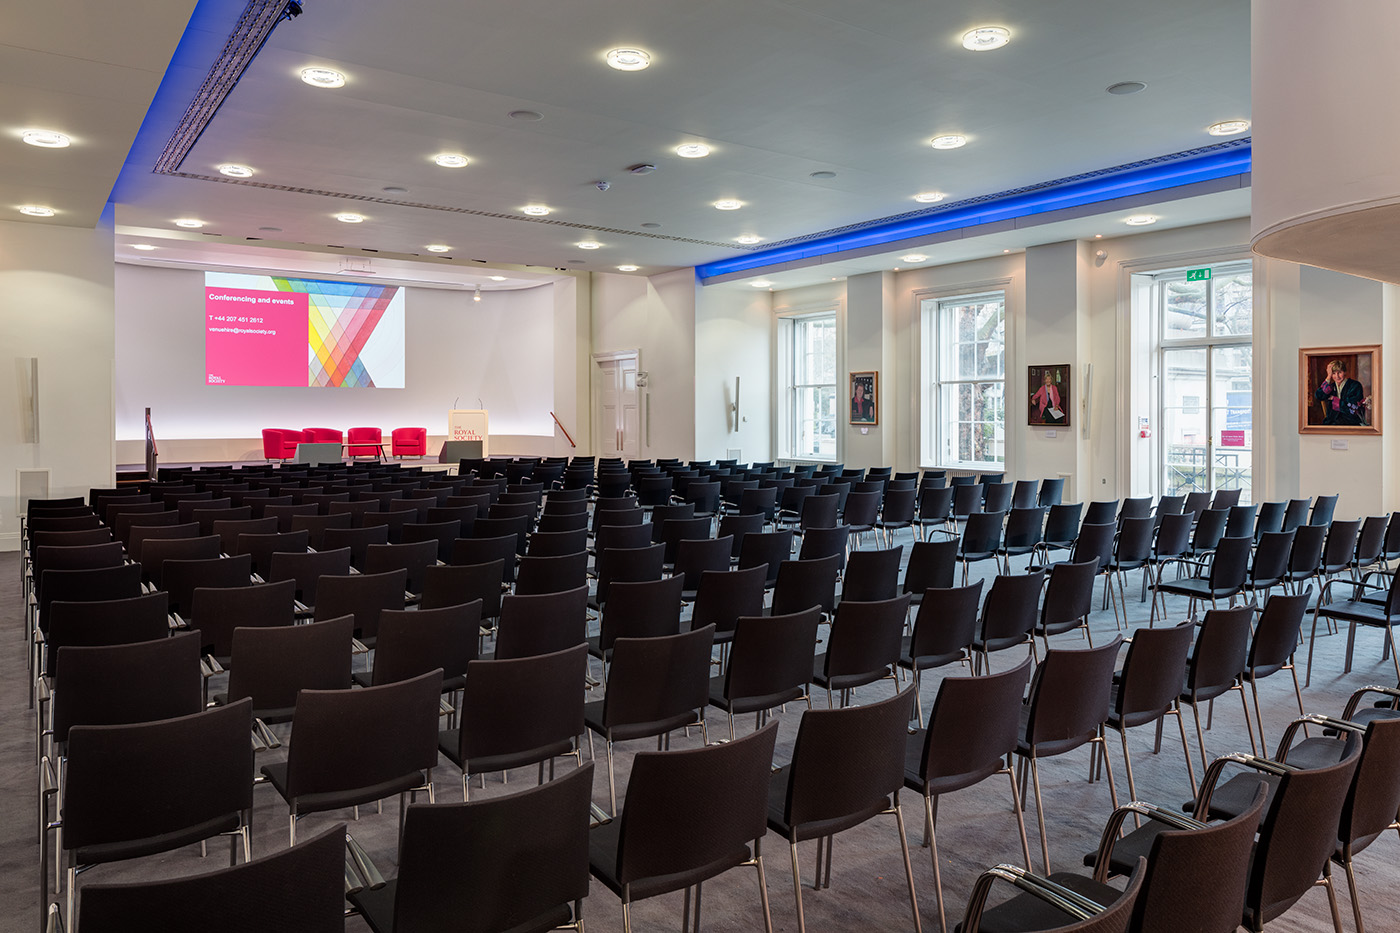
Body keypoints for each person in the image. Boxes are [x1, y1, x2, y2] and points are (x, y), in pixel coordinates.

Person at [1314, 359, 1367, 425]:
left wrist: (1334, 400)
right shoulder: (1330, 387)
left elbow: (1352, 406)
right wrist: (1328, 377)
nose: (1337, 376)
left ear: (1344, 372)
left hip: (1350, 421)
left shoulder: (1355, 385)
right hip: (1332, 421)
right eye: (1333, 373)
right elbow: (1319, 396)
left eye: (1339, 372)